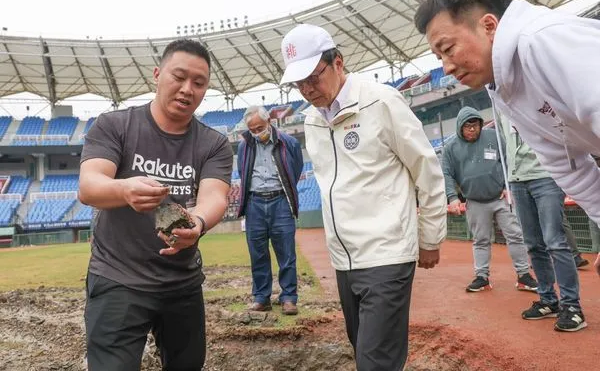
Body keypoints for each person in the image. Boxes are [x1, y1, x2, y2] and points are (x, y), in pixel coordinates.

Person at [279, 23, 447, 371]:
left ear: (338, 62)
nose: (308, 90)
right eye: (299, 83)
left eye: (314, 77)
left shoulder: (381, 100)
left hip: (386, 254)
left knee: (375, 363)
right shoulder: (311, 120)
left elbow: (426, 170)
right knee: (364, 352)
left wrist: (430, 237)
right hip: (344, 261)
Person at [414, 0, 600, 282]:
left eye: (448, 49)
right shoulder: (503, 85)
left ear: (489, 26)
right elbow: (566, 165)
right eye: (438, 57)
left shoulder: (542, 41)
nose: (445, 67)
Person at [78, 39, 233, 370]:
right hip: (119, 279)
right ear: (157, 74)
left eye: (199, 83)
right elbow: (89, 185)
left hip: (182, 283)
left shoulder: (214, 143)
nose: (187, 89)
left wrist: (199, 222)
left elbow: (215, 196)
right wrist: (124, 189)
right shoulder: (116, 125)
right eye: (178, 76)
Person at [497, 114, 586, 331]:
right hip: (517, 178)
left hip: (546, 174)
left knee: (554, 242)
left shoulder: (534, 90)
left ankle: (572, 306)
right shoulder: (499, 102)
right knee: (534, 244)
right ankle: (548, 299)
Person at [443, 106, 537, 293]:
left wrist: (508, 186)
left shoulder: (493, 137)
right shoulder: (450, 147)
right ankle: (482, 277)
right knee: (480, 240)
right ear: (460, 127)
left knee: (515, 235)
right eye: (468, 126)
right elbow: (446, 174)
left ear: (480, 124)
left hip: (500, 197)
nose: (472, 129)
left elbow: (508, 160)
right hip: (475, 201)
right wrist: (452, 197)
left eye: (475, 125)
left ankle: (524, 275)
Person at [237, 105, 303, 315]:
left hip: (280, 201)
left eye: (260, 127)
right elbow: (243, 171)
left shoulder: (289, 142)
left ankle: (289, 298)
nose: (257, 133)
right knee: (258, 253)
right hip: (255, 203)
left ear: (269, 123)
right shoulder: (245, 146)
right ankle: (261, 297)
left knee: (286, 253)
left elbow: (296, 168)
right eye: (253, 130)